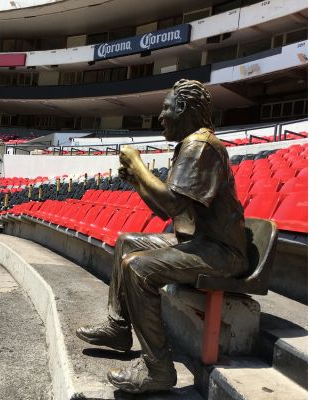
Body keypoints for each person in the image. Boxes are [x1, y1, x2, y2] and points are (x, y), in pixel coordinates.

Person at [76, 79, 249, 393]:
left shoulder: (202, 145)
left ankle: (158, 368)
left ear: (181, 109)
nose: (160, 117)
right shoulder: (191, 144)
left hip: (222, 252)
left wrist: (140, 167)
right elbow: (167, 211)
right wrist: (137, 182)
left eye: (166, 109)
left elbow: (172, 202)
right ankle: (117, 328)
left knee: (138, 268)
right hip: (199, 241)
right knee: (127, 241)